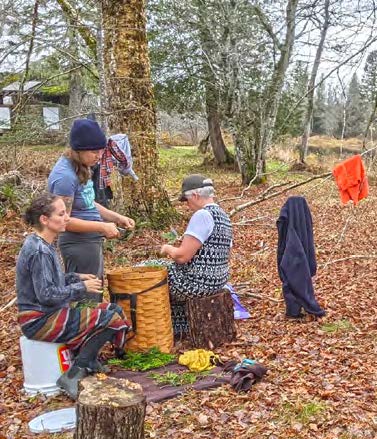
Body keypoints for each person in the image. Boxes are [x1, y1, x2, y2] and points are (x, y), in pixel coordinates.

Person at [16, 194, 132, 399]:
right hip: (39, 319)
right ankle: (76, 371)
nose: (67, 218)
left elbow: (53, 280)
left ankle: (89, 360)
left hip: (51, 312)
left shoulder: (45, 244)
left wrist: (75, 277)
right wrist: (81, 286)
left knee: (113, 310)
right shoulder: (39, 251)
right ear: (44, 219)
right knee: (111, 319)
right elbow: (46, 295)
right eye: (61, 214)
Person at [48, 118, 135, 300]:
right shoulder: (64, 177)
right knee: (85, 299)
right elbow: (62, 221)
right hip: (78, 245)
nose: (99, 155)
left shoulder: (82, 166)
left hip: (90, 241)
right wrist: (102, 227)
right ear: (78, 150)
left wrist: (116, 217)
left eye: (101, 150)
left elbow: (88, 202)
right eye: (94, 151)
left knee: (94, 294)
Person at [157, 174, 233, 336]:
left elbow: (183, 256)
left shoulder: (202, 215)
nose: (187, 205)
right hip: (218, 282)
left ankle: (152, 330)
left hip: (194, 283)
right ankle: (181, 327)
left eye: (186, 200)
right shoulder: (224, 217)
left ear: (196, 195)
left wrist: (168, 249)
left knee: (146, 268)